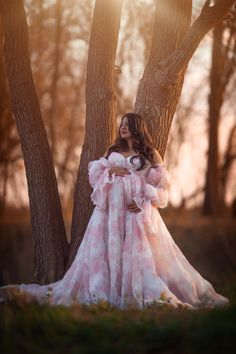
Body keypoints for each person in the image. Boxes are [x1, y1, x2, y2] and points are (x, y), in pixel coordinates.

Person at [0, 112, 229, 309]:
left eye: (128, 124)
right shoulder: (112, 151)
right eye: (121, 124)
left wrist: (142, 201)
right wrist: (112, 172)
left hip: (135, 215)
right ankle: (105, 289)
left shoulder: (150, 154)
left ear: (137, 128)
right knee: (107, 252)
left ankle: (137, 291)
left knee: (140, 255)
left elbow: (162, 190)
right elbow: (96, 181)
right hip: (108, 215)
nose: (123, 127)